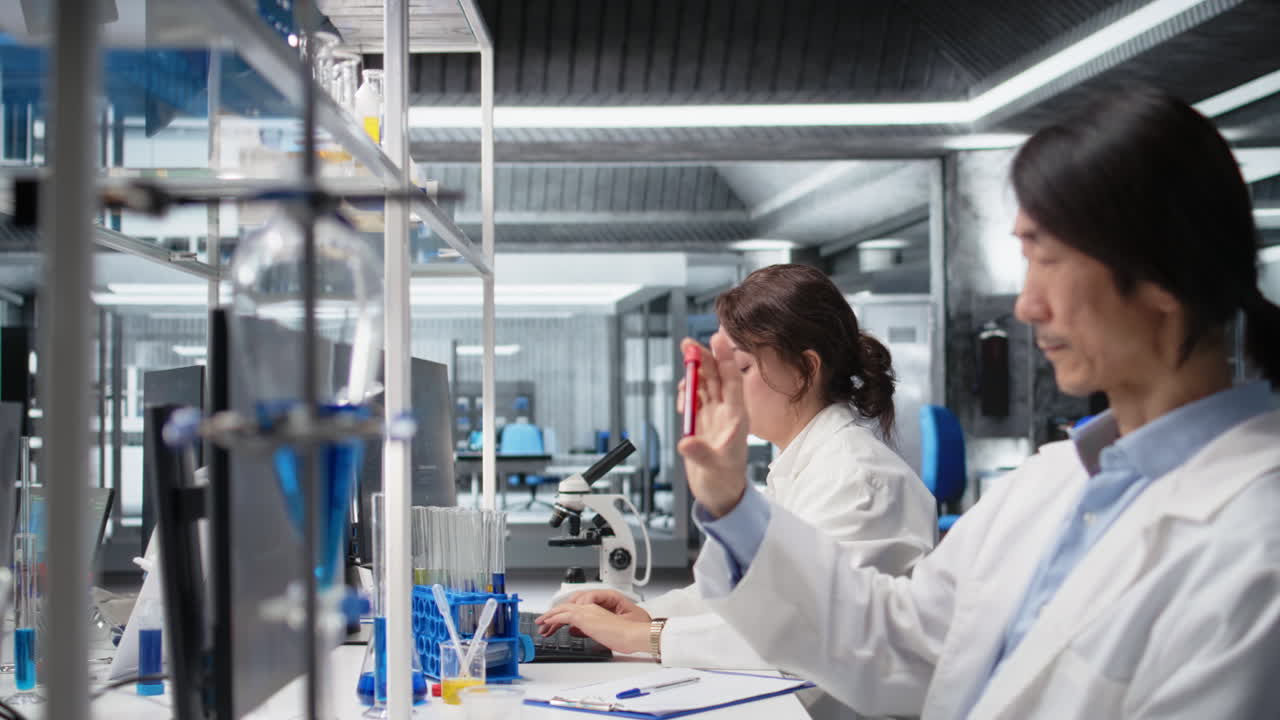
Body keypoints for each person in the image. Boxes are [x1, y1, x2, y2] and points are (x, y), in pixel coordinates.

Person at [676, 89, 1280, 720]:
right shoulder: (1053, 482)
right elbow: (896, 643)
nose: (1025, 305)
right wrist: (730, 501)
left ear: (1164, 276)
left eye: (1047, 258)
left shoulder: (1255, 548)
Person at [537, 264, 936, 712]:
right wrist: (650, 615)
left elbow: (810, 639)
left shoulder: (861, 480)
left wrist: (644, 637)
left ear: (804, 369)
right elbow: (746, 596)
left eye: (742, 367)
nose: (723, 385)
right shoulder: (803, 463)